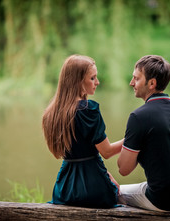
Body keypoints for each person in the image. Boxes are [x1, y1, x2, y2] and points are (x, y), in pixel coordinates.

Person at [117, 55, 170, 211]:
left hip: (164, 199)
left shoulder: (139, 116)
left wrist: (135, 141)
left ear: (152, 83)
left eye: (136, 79)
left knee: (112, 190)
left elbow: (124, 169)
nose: (131, 83)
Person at [42, 54, 123, 208]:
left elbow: (83, 153)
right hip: (93, 187)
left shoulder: (52, 113)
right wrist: (135, 138)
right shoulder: (88, 110)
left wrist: (107, 175)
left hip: (64, 188)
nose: (97, 82)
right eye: (92, 78)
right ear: (77, 81)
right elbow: (107, 152)